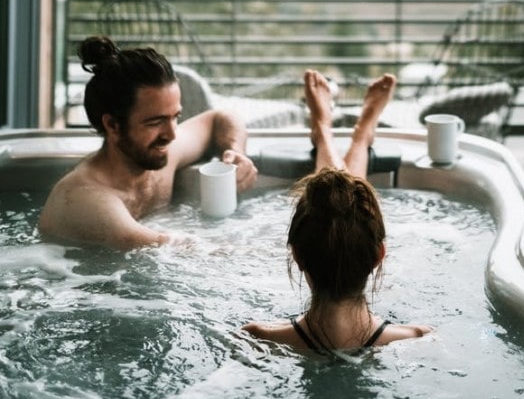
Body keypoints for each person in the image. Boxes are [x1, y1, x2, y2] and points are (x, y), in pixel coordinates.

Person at [242, 70, 432, 353]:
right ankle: (358, 134)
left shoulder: (257, 339)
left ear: (296, 255)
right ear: (379, 255)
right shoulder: (418, 338)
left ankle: (325, 129)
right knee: (345, 207)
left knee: (336, 204)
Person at [38, 35, 258, 249]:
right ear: (113, 125)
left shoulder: (157, 152)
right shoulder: (87, 200)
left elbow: (221, 118)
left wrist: (236, 151)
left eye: (175, 117)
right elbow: (176, 249)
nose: (171, 134)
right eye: (155, 122)